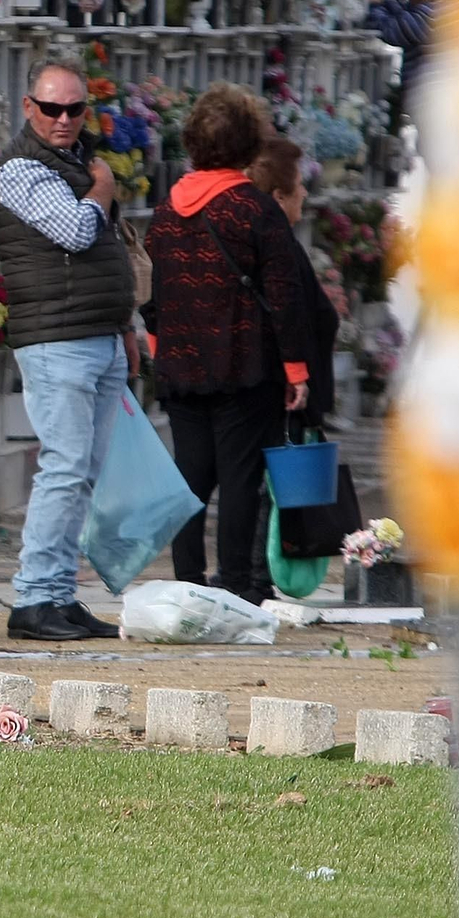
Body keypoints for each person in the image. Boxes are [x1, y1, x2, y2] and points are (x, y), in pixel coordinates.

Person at [143, 85, 312, 607]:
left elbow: (153, 287)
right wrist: (296, 370)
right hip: (244, 365)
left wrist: (158, 345)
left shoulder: (166, 211)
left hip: (180, 366)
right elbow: (284, 294)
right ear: (247, 144)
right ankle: (236, 583)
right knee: (241, 478)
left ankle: (188, 579)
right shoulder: (254, 209)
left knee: (191, 477)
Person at [0, 54, 133, 642]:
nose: (63, 119)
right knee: (64, 468)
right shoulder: (21, 169)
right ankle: (32, 600)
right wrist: (101, 188)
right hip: (57, 340)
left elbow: (104, 253)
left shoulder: (72, 162)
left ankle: (59, 594)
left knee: (84, 474)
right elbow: (74, 230)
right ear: (29, 107)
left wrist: (126, 325)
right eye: (51, 108)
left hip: (97, 333)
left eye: (74, 108)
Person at [246, 137, 340, 427]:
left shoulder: (275, 240)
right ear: (279, 197)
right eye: (299, 184)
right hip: (283, 396)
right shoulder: (279, 247)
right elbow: (290, 312)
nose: (304, 192)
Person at [366, 0, 450, 109]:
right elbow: (405, 14)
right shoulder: (448, 8)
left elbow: (387, 28)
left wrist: (376, 5)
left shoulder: (428, 16)